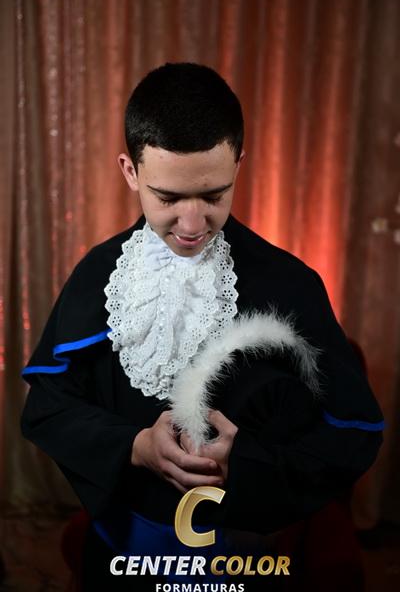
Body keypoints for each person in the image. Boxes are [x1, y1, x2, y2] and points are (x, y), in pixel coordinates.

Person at [21, 63, 384, 590]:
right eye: (168, 198)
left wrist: (247, 465)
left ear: (239, 163)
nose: (192, 226)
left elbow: (355, 433)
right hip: (121, 558)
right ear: (130, 171)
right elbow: (49, 409)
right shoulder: (97, 276)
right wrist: (134, 446)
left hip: (245, 561)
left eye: (214, 195)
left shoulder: (291, 284)